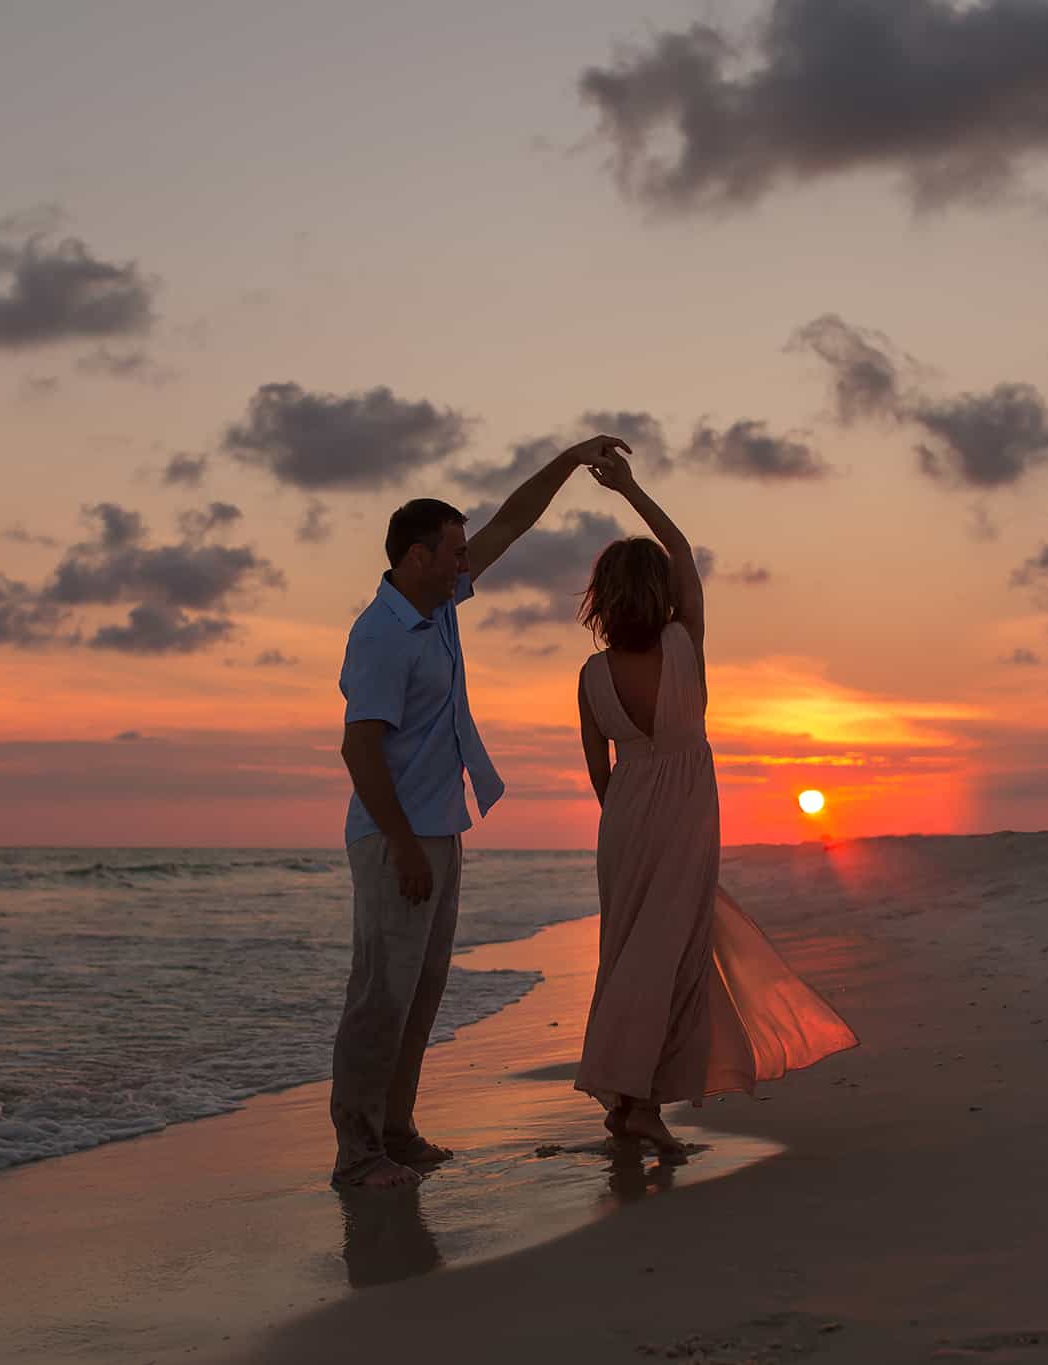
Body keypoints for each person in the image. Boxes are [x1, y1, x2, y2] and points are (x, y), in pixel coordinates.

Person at [331, 433, 630, 1189]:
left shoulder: (438, 609)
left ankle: (395, 1131)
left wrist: (568, 461)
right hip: (394, 837)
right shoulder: (380, 633)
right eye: (454, 552)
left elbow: (509, 524)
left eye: (464, 551)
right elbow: (359, 750)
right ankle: (358, 1152)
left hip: (440, 830)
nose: (468, 561)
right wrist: (400, 844)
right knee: (380, 998)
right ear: (415, 556)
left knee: (420, 996)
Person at [574, 449, 858, 1151]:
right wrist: (631, 488)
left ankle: (625, 1099)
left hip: (626, 825)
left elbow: (598, 773)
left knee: (629, 957)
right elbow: (679, 547)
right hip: (684, 824)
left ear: (605, 600)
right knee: (671, 959)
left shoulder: (591, 674)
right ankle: (639, 1106)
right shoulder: (682, 644)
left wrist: (632, 816)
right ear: (658, 594)